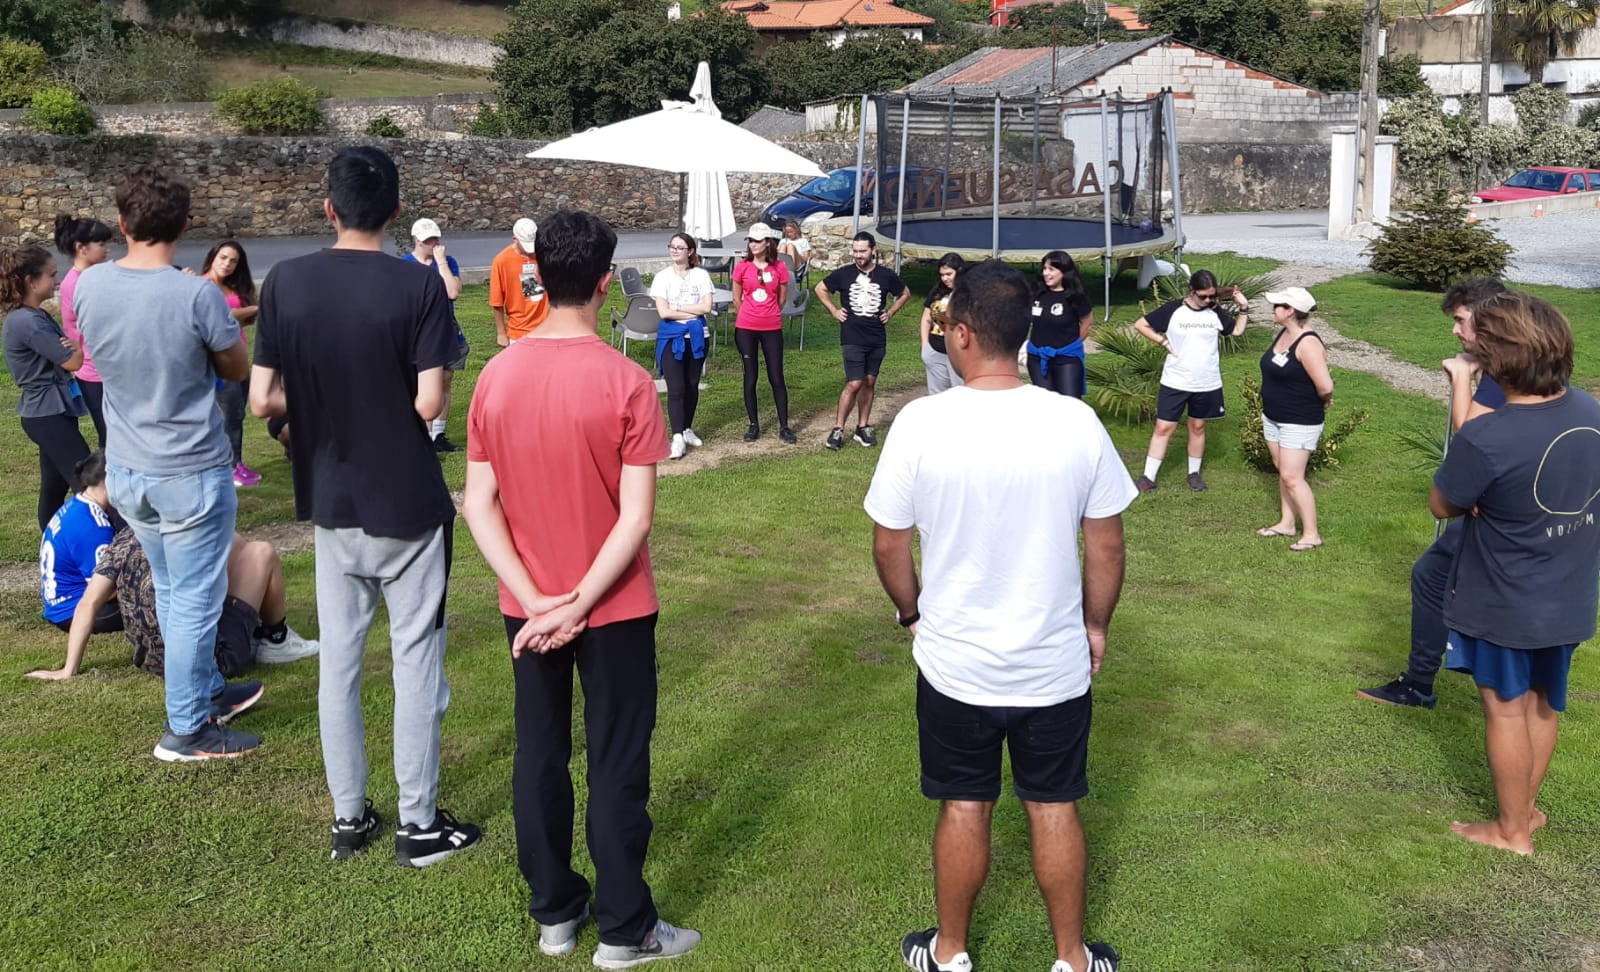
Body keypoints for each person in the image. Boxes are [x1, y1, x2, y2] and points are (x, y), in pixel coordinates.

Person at [865, 259, 1134, 972]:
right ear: (1018, 336)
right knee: (1054, 806)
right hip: (1052, 660)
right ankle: (1070, 959)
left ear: (958, 334)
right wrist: (1096, 624)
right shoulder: (1073, 421)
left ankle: (950, 953)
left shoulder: (921, 423)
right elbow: (1105, 542)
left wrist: (911, 614)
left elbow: (889, 543)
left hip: (955, 659)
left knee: (963, 804)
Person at [462, 209, 699, 969]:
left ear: (539, 279)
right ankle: (624, 930)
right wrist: (569, 604)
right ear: (604, 285)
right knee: (616, 760)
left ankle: (556, 916)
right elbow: (634, 521)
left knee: (540, 752)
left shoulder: (496, 376)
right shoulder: (630, 382)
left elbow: (477, 503)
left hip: (529, 607)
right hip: (615, 606)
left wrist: (537, 601)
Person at [250, 145, 478, 865]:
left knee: (340, 664)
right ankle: (418, 824)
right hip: (406, 496)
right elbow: (431, 401)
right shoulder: (417, 288)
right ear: (397, 212)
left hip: (332, 497)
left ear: (327, 208)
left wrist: (320, 403)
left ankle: (351, 816)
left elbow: (262, 399)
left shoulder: (286, 281)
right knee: (415, 661)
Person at [74, 164, 256, 762]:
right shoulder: (196, 293)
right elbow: (236, 366)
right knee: (194, 601)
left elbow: (89, 350)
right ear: (184, 225)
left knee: (177, 590)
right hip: (189, 472)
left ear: (123, 223)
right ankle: (186, 729)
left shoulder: (90, 284)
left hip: (127, 470)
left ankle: (204, 692)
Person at [1428, 291, 1600, 855]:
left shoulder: (1487, 435)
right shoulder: (1590, 410)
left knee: (1505, 708)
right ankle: (1525, 811)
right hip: (1570, 593)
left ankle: (1511, 831)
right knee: (1543, 702)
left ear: (1496, 361)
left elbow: (1442, 504)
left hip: (1505, 599)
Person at [1359, 277, 1511, 709]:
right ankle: (1430, 676)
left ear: (1487, 318)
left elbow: (1472, 435)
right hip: (1513, 503)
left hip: (1497, 511)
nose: (1455, 330)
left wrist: (1461, 375)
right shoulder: (1523, 360)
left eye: (1461, 320)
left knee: (1435, 576)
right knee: (1440, 575)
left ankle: (1422, 683)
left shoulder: (1505, 368)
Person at [27, 520, 320, 681]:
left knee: (234, 543)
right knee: (261, 552)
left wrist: (69, 668)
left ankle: (262, 630)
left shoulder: (123, 540)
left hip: (152, 660)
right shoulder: (189, 535)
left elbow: (88, 603)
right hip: (213, 661)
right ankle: (276, 637)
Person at [1130, 269, 1248, 493]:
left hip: (1206, 382)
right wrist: (1162, 342)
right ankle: (1148, 477)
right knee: (1163, 427)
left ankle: (1193, 474)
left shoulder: (1215, 312)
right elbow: (1140, 325)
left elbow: (1237, 331)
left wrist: (1243, 307)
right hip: (1175, 380)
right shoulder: (1174, 310)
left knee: (1197, 426)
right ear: (1191, 291)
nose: (1207, 301)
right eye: (1202, 296)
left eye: (1211, 296)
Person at [2, 243, 90, 535]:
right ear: (31, 281)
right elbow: (73, 360)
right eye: (52, 275)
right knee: (88, 481)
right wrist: (74, 351)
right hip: (46, 413)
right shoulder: (26, 322)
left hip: (54, 408)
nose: (57, 281)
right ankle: (101, 550)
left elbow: (69, 356)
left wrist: (72, 352)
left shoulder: (35, 316)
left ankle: (51, 546)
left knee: (55, 486)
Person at [1254, 286, 1333, 552]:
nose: (1273, 309)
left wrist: (1323, 400)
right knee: (1283, 470)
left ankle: (1312, 533)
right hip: (1274, 416)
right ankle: (1287, 523)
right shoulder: (1284, 334)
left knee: (1292, 476)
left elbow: (1325, 386)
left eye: (1278, 305)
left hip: (1299, 420)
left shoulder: (1307, 343)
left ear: (1290, 311)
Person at [816, 231, 909, 450]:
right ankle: (838, 428)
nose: (858, 255)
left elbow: (905, 293)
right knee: (854, 382)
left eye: (862, 251)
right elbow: (820, 288)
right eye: (855, 251)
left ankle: (862, 426)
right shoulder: (844, 274)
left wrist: (892, 311)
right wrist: (833, 310)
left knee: (869, 381)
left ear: (873, 250)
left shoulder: (886, 276)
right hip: (852, 336)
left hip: (876, 336)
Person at [403, 217, 468, 453]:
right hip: (420, 330)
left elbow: (453, 292)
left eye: (436, 239)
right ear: (417, 241)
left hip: (446, 328)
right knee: (423, 384)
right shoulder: (406, 265)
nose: (433, 244)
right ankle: (422, 435)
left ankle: (438, 435)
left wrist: (441, 263)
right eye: (428, 240)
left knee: (446, 379)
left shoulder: (447, 262)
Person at [38, 450, 120, 636]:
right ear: (107, 482)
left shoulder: (75, 505)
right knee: (156, 595)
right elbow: (103, 591)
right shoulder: (94, 528)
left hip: (59, 604)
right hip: (74, 611)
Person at [201, 240, 263, 487]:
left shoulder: (231, 287)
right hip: (219, 362)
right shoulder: (203, 286)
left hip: (238, 356)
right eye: (223, 258)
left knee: (237, 415)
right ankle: (228, 468)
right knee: (230, 415)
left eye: (233, 260)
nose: (227, 264)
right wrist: (255, 308)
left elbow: (241, 320)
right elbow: (222, 316)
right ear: (213, 257)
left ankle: (236, 462)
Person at [52, 213, 114, 447]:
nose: (107, 250)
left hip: (105, 367)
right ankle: (105, 482)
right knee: (111, 437)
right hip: (94, 372)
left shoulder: (92, 277)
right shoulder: (78, 284)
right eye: (101, 244)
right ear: (81, 248)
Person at [650, 233, 713, 459]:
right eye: (672, 247)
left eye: (680, 247)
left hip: (697, 336)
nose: (675, 250)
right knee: (675, 387)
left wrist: (681, 306)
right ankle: (676, 437)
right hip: (671, 337)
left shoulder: (701, 275)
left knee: (692, 384)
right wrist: (692, 310)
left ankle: (686, 428)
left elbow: (707, 307)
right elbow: (664, 312)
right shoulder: (662, 277)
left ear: (690, 251)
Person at [731, 221, 795, 444]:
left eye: (758, 240)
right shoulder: (742, 267)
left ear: (768, 243)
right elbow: (736, 296)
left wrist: (770, 313)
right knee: (751, 376)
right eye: (751, 240)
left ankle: (784, 425)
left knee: (776, 377)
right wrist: (747, 315)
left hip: (771, 327)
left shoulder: (778, 267)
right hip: (746, 328)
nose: (753, 244)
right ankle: (753, 424)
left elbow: (782, 296)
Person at [1027, 250, 1094, 398]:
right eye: (1044, 268)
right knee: (1046, 404)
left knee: (1071, 405)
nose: (1046, 273)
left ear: (1064, 271)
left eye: (1051, 269)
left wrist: (1070, 344)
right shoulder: (1037, 293)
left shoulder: (1076, 296)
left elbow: (1087, 322)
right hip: (1037, 358)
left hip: (1066, 358)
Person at [489, 217, 549, 347]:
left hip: (547, 328)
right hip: (519, 331)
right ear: (515, 239)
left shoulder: (545, 255)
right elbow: (496, 301)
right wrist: (501, 333)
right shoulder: (502, 261)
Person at [919, 253, 964, 396]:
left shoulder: (969, 292)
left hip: (959, 354)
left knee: (960, 397)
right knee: (937, 398)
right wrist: (925, 346)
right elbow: (926, 317)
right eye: (942, 275)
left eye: (949, 274)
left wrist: (944, 320)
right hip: (935, 351)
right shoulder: (938, 290)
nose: (945, 278)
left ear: (959, 271)